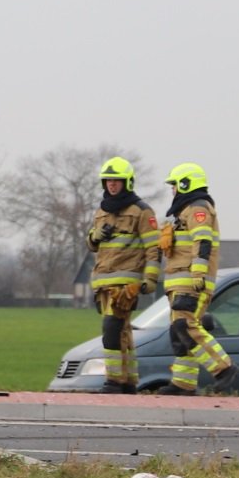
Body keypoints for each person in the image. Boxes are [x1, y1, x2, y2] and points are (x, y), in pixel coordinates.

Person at [159, 162, 239, 396]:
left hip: (191, 281)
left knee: (186, 324)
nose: (172, 190)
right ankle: (183, 383)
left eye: (174, 185)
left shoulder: (197, 208)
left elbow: (202, 241)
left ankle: (224, 367)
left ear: (185, 184)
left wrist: (198, 274)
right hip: (179, 280)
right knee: (178, 330)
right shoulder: (184, 211)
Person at [85, 156, 161, 394]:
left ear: (127, 182)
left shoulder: (141, 211)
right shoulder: (101, 211)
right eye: (108, 181)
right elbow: (91, 244)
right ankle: (129, 382)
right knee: (123, 332)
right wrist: (96, 236)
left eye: (117, 181)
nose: (112, 185)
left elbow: (153, 248)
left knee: (111, 329)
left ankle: (114, 381)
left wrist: (150, 279)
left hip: (126, 284)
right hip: (103, 283)